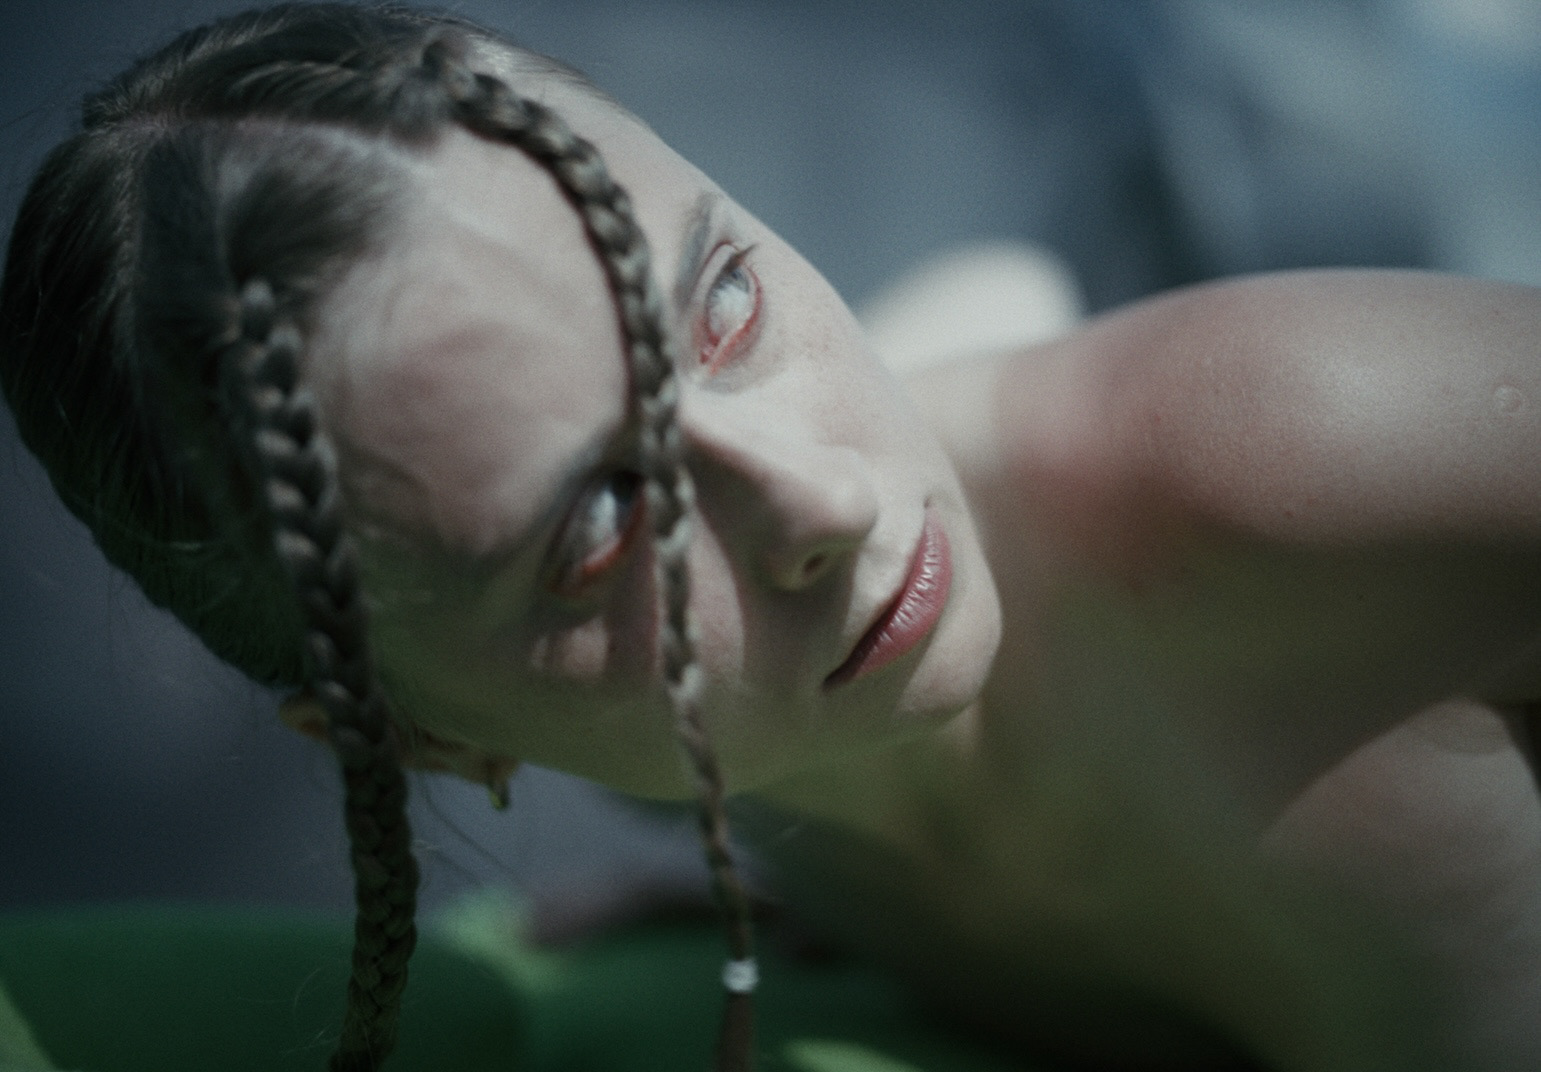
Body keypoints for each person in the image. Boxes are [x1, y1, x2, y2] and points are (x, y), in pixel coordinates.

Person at [2, 4, 1538, 1071]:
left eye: (724, 301)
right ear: (423, 739)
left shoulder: (1307, 458)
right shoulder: (702, 778)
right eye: (603, 525)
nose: (824, 504)